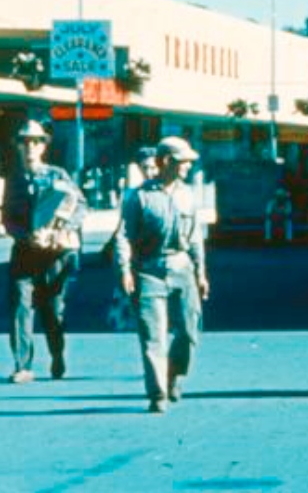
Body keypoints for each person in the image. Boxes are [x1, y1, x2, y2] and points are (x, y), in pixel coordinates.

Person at [114, 136, 210, 414]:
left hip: (182, 269)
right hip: (149, 270)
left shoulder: (188, 195)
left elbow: (195, 239)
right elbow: (124, 236)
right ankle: (157, 394)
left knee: (189, 331)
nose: (188, 167)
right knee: (152, 337)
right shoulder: (139, 197)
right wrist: (125, 270)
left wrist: (201, 273)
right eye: (183, 162)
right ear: (167, 161)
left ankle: (174, 375)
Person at [1, 119, 86, 384]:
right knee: (19, 307)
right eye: (24, 142)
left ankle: (57, 354)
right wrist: (24, 236)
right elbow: (8, 218)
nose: (30, 147)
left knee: (52, 310)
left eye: (35, 142)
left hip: (53, 255)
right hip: (26, 251)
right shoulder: (13, 179)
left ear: (43, 146)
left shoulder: (57, 175)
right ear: (17, 146)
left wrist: (61, 231)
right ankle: (22, 365)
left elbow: (80, 205)